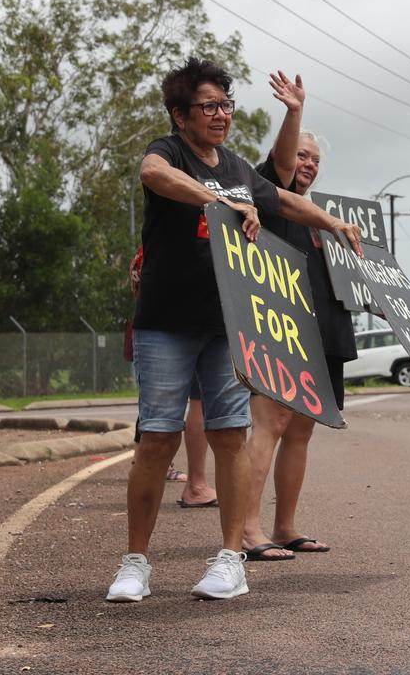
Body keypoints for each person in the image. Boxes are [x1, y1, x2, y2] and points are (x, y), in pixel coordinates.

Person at [106, 57, 362, 603]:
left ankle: (229, 560)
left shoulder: (240, 168)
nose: (220, 115)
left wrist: (332, 222)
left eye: (226, 105)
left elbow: (284, 197)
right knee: (156, 439)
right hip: (164, 325)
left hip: (226, 327)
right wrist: (216, 199)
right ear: (180, 115)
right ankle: (135, 565)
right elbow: (154, 175)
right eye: (208, 106)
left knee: (229, 437)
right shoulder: (169, 151)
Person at [239, 71, 358, 561]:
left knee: (303, 429)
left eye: (315, 159)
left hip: (323, 333)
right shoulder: (274, 200)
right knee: (270, 421)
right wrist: (295, 113)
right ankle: (248, 530)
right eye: (301, 156)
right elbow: (282, 169)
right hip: (279, 327)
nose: (306, 165)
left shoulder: (325, 222)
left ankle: (285, 526)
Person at [130, 246, 217, 508]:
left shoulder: (148, 249)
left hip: (174, 316)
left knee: (161, 417)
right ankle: (196, 484)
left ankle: (190, 481)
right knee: (182, 410)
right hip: (188, 316)